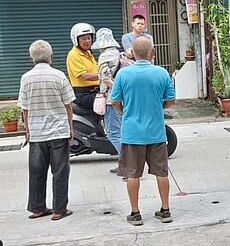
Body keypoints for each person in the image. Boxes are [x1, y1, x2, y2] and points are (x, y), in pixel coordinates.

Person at [110, 37, 176, 226]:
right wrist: (159, 107)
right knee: (162, 172)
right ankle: (165, 210)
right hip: (156, 131)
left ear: (133, 53)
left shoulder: (124, 74)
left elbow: (114, 101)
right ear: (152, 53)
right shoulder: (161, 73)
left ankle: (135, 213)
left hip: (132, 133)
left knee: (132, 174)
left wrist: (124, 112)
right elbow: (171, 100)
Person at [18, 40, 75, 221]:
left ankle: (37, 208)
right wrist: (70, 128)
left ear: (31, 57)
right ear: (51, 56)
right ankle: (59, 210)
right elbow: (68, 105)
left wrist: (27, 130)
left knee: (36, 171)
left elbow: (24, 108)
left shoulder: (25, 78)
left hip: (36, 133)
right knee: (60, 171)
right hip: (58, 130)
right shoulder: (59, 76)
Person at [92, 28, 131, 174]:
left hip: (111, 99)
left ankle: (128, 163)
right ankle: (124, 162)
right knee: (122, 130)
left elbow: (106, 79)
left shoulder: (104, 57)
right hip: (125, 98)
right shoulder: (120, 54)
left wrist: (116, 93)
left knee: (113, 132)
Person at [66, 23, 99, 110]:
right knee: (107, 101)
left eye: (89, 38)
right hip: (83, 94)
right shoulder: (73, 55)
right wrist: (103, 76)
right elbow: (84, 76)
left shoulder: (88, 53)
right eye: (84, 39)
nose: (87, 41)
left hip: (96, 91)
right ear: (76, 40)